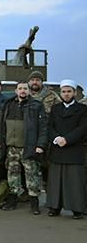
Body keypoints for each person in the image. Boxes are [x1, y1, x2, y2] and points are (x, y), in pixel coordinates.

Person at [0, 81, 47, 214]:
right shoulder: (8, 104)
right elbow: (1, 125)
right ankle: (12, 200)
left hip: (29, 147)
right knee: (12, 175)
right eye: (20, 88)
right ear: (16, 91)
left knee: (32, 176)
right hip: (11, 147)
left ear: (29, 91)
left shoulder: (36, 105)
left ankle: (34, 204)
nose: (22, 91)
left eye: (25, 88)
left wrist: (40, 145)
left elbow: (43, 127)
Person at [46, 79, 87, 219]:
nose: (66, 94)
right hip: (57, 148)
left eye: (69, 91)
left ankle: (77, 209)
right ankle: (54, 207)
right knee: (55, 181)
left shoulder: (83, 109)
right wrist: (57, 138)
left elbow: (82, 128)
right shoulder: (55, 108)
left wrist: (67, 139)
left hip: (74, 149)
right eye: (64, 91)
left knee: (75, 181)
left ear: (74, 93)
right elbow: (49, 126)